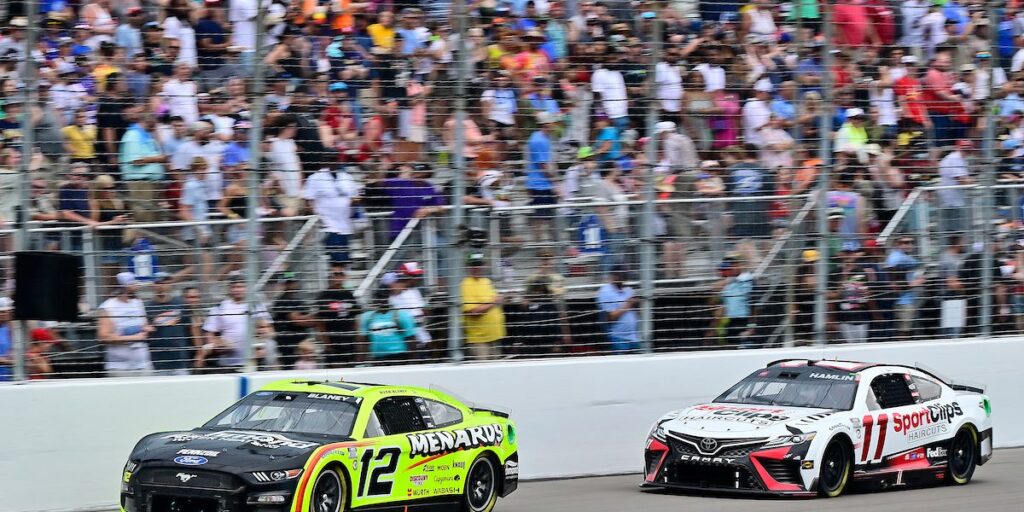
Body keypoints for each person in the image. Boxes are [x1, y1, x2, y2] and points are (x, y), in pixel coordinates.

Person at [201, 279, 273, 372]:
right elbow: (209, 332)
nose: (237, 290)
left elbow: (269, 329)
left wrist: (263, 343)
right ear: (229, 289)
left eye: (240, 287)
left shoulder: (256, 306)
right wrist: (215, 346)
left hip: (253, 361)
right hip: (228, 363)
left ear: (247, 288)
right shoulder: (220, 307)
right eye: (234, 287)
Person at [97, 272, 155, 377]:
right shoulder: (108, 307)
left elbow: (144, 325)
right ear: (123, 286)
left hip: (143, 364)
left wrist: (147, 328)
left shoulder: (138, 303)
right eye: (132, 284)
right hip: (120, 368)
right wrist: (133, 337)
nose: (136, 286)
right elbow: (104, 337)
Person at [312, 263, 362, 366]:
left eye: (340, 274)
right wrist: (327, 344)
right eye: (335, 274)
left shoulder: (349, 295)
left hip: (349, 342)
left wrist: (357, 341)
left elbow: (355, 319)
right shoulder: (324, 296)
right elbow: (319, 323)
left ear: (344, 276)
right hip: (333, 343)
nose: (338, 277)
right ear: (330, 276)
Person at [461, 252, 506, 360]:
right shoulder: (466, 284)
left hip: (495, 336)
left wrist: (499, 300)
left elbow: (496, 300)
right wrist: (493, 303)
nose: (477, 267)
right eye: (474, 264)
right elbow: (473, 312)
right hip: (480, 340)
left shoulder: (486, 281)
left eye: (479, 264)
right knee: (483, 372)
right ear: (468, 266)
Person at [146, 272, 191, 375]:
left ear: (170, 284)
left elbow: (189, 329)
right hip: (157, 362)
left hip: (180, 360)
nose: (161, 286)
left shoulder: (181, 304)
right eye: (158, 283)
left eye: (165, 283)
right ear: (153, 285)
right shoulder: (146, 307)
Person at [359, 287, 416, 364]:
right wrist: (361, 362)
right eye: (379, 297)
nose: (382, 300)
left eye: (385, 297)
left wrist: (412, 361)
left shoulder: (401, 315)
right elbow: (364, 341)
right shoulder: (368, 317)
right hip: (378, 358)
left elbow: (411, 338)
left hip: (398, 357)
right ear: (375, 300)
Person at [387, 262, 432, 358]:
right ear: (407, 276)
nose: (418, 279)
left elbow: (423, 310)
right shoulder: (394, 295)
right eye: (415, 276)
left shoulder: (415, 291)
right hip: (407, 336)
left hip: (421, 332)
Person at [714, 253, 758, 348]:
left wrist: (751, 328)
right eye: (728, 264)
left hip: (744, 321)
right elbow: (715, 289)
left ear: (739, 265)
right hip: (730, 323)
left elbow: (754, 305)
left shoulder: (747, 278)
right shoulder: (728, 282)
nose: (731, 267)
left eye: (733, 264)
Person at [272, 272, 313, 367]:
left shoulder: (299, 301)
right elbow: (296, 320)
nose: (291, 285)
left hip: (302, 346)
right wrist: (304, 318)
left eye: (292, 282)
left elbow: (311, 321)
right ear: (284, 284)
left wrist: (303, 318)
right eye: (288, 282)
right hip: (288, 346)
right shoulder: (281, 301)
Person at [597, 266, 640, 352]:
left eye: (624, 276)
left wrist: (637, 304)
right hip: (618, 338)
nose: (624, 279)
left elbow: (636, 312)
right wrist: (629, 304)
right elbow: (611, 317)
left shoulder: (628, 290)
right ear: (613, 276)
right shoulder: (605, 292)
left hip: (634, 336)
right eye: (621, 276)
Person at [939, 235, 968, 337]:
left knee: (951, 329)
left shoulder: (949, 256)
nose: (965, 244)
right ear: (958, 243)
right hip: (952, 297)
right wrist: (965, 290)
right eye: (963, 242)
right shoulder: (950, 260)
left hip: (951, 297)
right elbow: (952, 283)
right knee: (953, 331)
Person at [0, 297, 12, 381]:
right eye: (2, 312)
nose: (5, 314)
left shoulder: (8, 329)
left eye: (7, 311)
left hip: (7, 378)